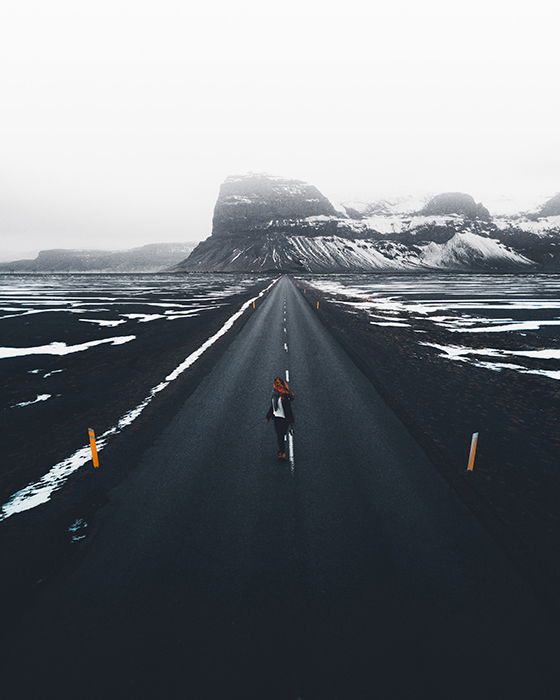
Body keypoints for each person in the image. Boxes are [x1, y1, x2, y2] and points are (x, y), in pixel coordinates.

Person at [265, 376, 295, 460]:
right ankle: (282, 452)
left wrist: (291, 422)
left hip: (284, 419)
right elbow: (272, 407)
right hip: (277, 418)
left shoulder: (284, 397)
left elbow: (289, 411)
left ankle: (282, 452)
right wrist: (268, 416)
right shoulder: (274, 395)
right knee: (280, 436)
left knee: (281, 435)